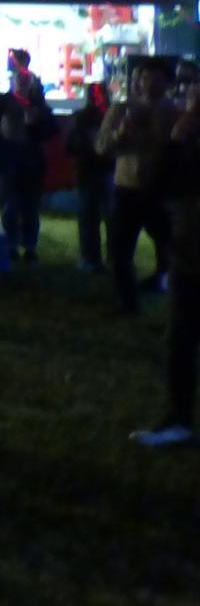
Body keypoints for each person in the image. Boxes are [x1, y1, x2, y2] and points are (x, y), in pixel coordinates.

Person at [131, 83, 200, 448]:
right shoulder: (185, 148)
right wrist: (175, 142)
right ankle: (178, 419)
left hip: (188, 254)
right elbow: (154, 193)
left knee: (182, 340)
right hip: (189, 258)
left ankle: (179, 419)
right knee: (181, 341)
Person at [102, 61, 177, 312]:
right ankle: (128, 301)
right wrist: (123, 129)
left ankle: (171, 289)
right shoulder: (121, 110)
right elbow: (103, 147)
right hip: (127, 188)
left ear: (167, 82)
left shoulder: (175, 113)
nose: (148, 83)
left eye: (155, 78)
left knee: (174, 247)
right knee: (119, 251)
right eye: (144, 77)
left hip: (161, 189)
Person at [0, 66, 55, 262]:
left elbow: (51, 131)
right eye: (18, 79)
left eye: (26, 80)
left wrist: (34, 124)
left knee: (30, 208)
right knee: (10, 205)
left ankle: (29, 246)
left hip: (31, 162)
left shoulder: (39, 105)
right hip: (10, 159)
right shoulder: (4, 102)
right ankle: (12, 244)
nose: (22, 82)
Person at [66, 83, 111, 272]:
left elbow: (70, 146)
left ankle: (94, 258)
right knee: (92, 217)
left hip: (98, 170)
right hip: (94, 170)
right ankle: (95, 258)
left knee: (93, 217)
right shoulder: (104, 116)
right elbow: (70, 146)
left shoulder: (109, 115)